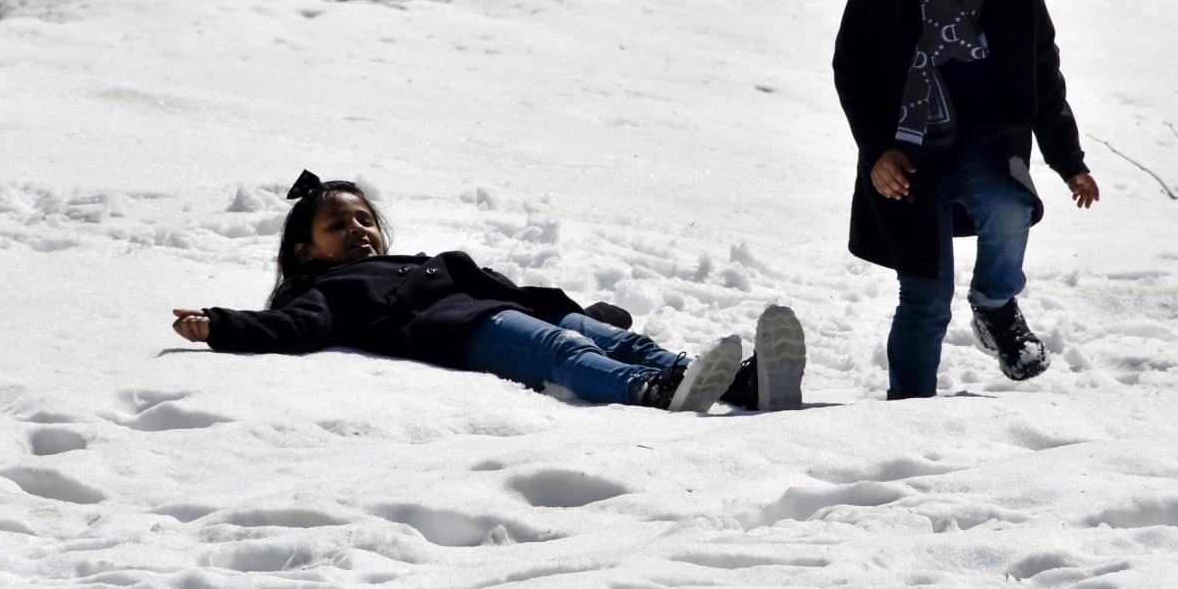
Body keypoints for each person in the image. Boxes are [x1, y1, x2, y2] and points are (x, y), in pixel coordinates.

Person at [170, 171, 805, 412]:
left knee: (617, 336)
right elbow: (290, 329)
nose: (358, 231)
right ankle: (653, 392)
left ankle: (730, 383)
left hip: (504, 307)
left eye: (364, 219)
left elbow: (503, 285)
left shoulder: (423, 260)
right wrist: (222, 326)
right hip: (464, 334)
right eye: (338, 225)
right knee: (559, 351)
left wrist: (584, 309)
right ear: (306, 249)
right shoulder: (328, 290)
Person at [832, 0, 1100, 400]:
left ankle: (996, 307)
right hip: (906, 157)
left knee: (1010, 207)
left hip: (984, 145)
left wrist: (1068, 160)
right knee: (925, 296)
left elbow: (1041, 68)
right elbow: (851, 69)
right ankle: (909, 409)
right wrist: (876, 150)